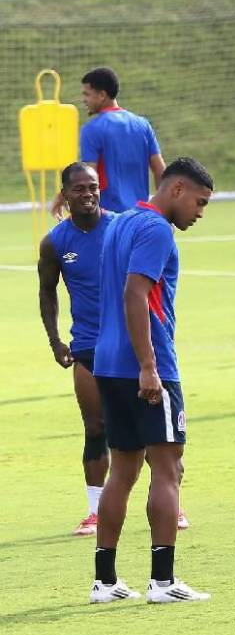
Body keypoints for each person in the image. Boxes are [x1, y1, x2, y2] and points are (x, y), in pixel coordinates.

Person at [90, 158, 213, 603]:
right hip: (147, 366)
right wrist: (148, 366)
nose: (200, 212)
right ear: (177, 189)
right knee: (168, 466)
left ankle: (104, 581)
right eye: (199, 202)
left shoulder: (121, 223)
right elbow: (135, 293)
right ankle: (162, 581)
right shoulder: (157, 229)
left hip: (107, 362)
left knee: (122, 470)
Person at [39, 164, 113, 536]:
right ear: (65, 196)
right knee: (95, 426)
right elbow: (47, 290)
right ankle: (96, 511)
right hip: (86, 346)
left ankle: (169, 504)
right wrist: (55, 341)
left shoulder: (120, 228)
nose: (89, 194)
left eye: (94, 187)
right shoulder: (55, 243)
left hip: (127, 343)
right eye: (80, 189)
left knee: (143, 427)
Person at [79, 67, 166, 213]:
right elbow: (160, 170)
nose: (84, 100)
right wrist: (163, 210)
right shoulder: (143, 125)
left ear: (101, 95)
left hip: (109, 220)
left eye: (87, 94)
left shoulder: (92, 129)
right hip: (140, 218)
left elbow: (89, 179)